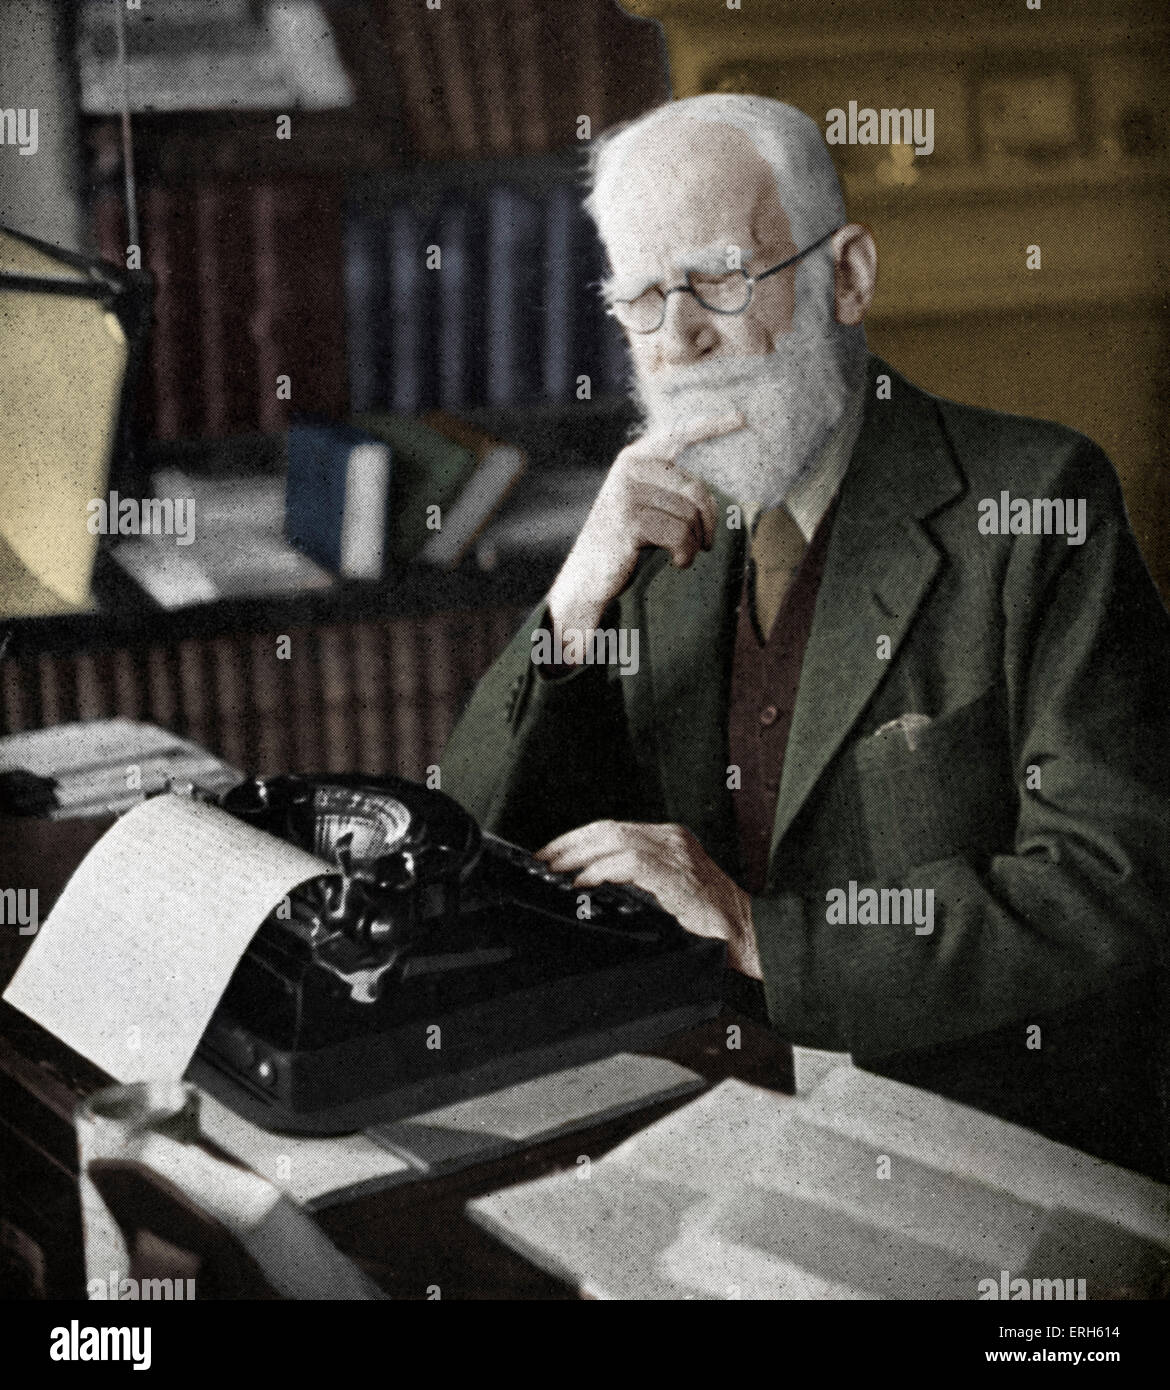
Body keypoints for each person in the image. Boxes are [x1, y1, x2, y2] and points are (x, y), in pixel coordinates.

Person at [441, 93, 1170, 1177]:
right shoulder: (657, 534)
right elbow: (479, 839)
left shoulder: (1036, 506)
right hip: (705, 1117)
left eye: (722, 279)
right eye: (643, 297)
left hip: (973, 1144)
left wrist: (757, 933)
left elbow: (1108, 887)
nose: (679, 339)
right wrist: (573, 603)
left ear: (848, 276)